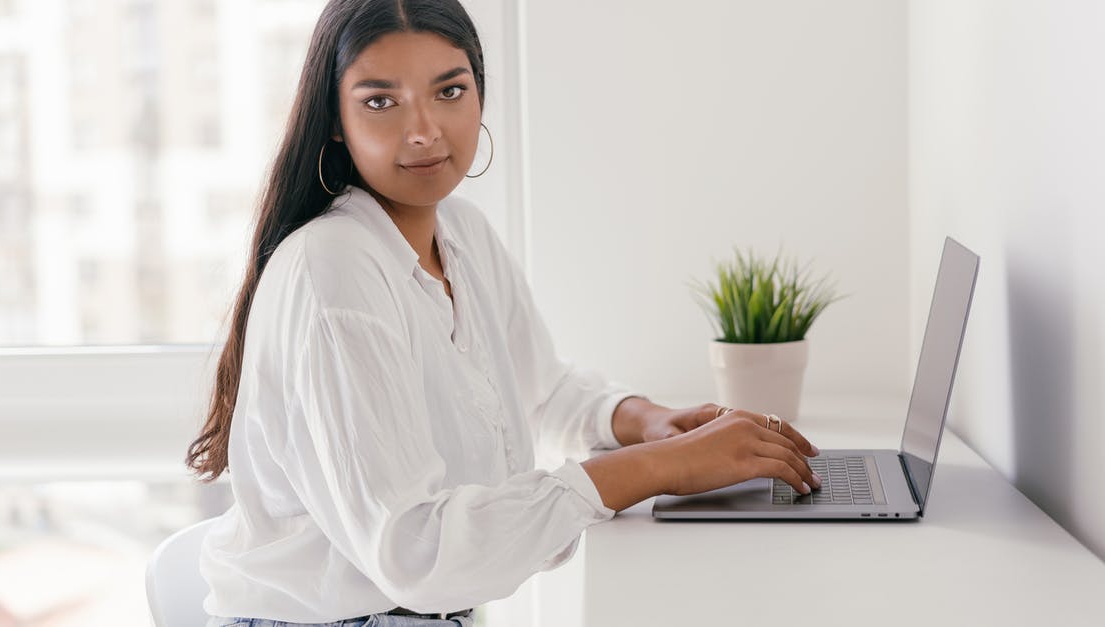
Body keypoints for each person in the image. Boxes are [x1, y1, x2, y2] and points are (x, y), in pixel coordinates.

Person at [185, 1, 824, 625]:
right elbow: (416, 553)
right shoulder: (333, 268)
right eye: (381, 101)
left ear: (480, 96)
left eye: (450, 91)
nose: (424, 130)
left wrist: (647, 423)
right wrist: (660, 468)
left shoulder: (460, 232)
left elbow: (538, 390)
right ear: (334, 119)